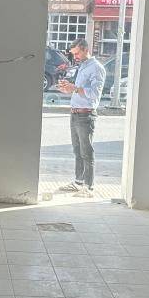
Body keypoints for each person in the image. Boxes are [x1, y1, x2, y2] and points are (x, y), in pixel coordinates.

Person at [56, 38, 106, 197]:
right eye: (73, 54)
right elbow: (79, 90)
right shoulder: (83, 66)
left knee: (87, 152)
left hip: (86, 115)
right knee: (77, 151)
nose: (75, 57)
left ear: (85, 49)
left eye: (77, 53)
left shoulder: (97, 68)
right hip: (75, 113)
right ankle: (78, 182)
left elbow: (94, 94)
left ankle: (89, 187)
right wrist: (68, 89)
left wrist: (75, 88)